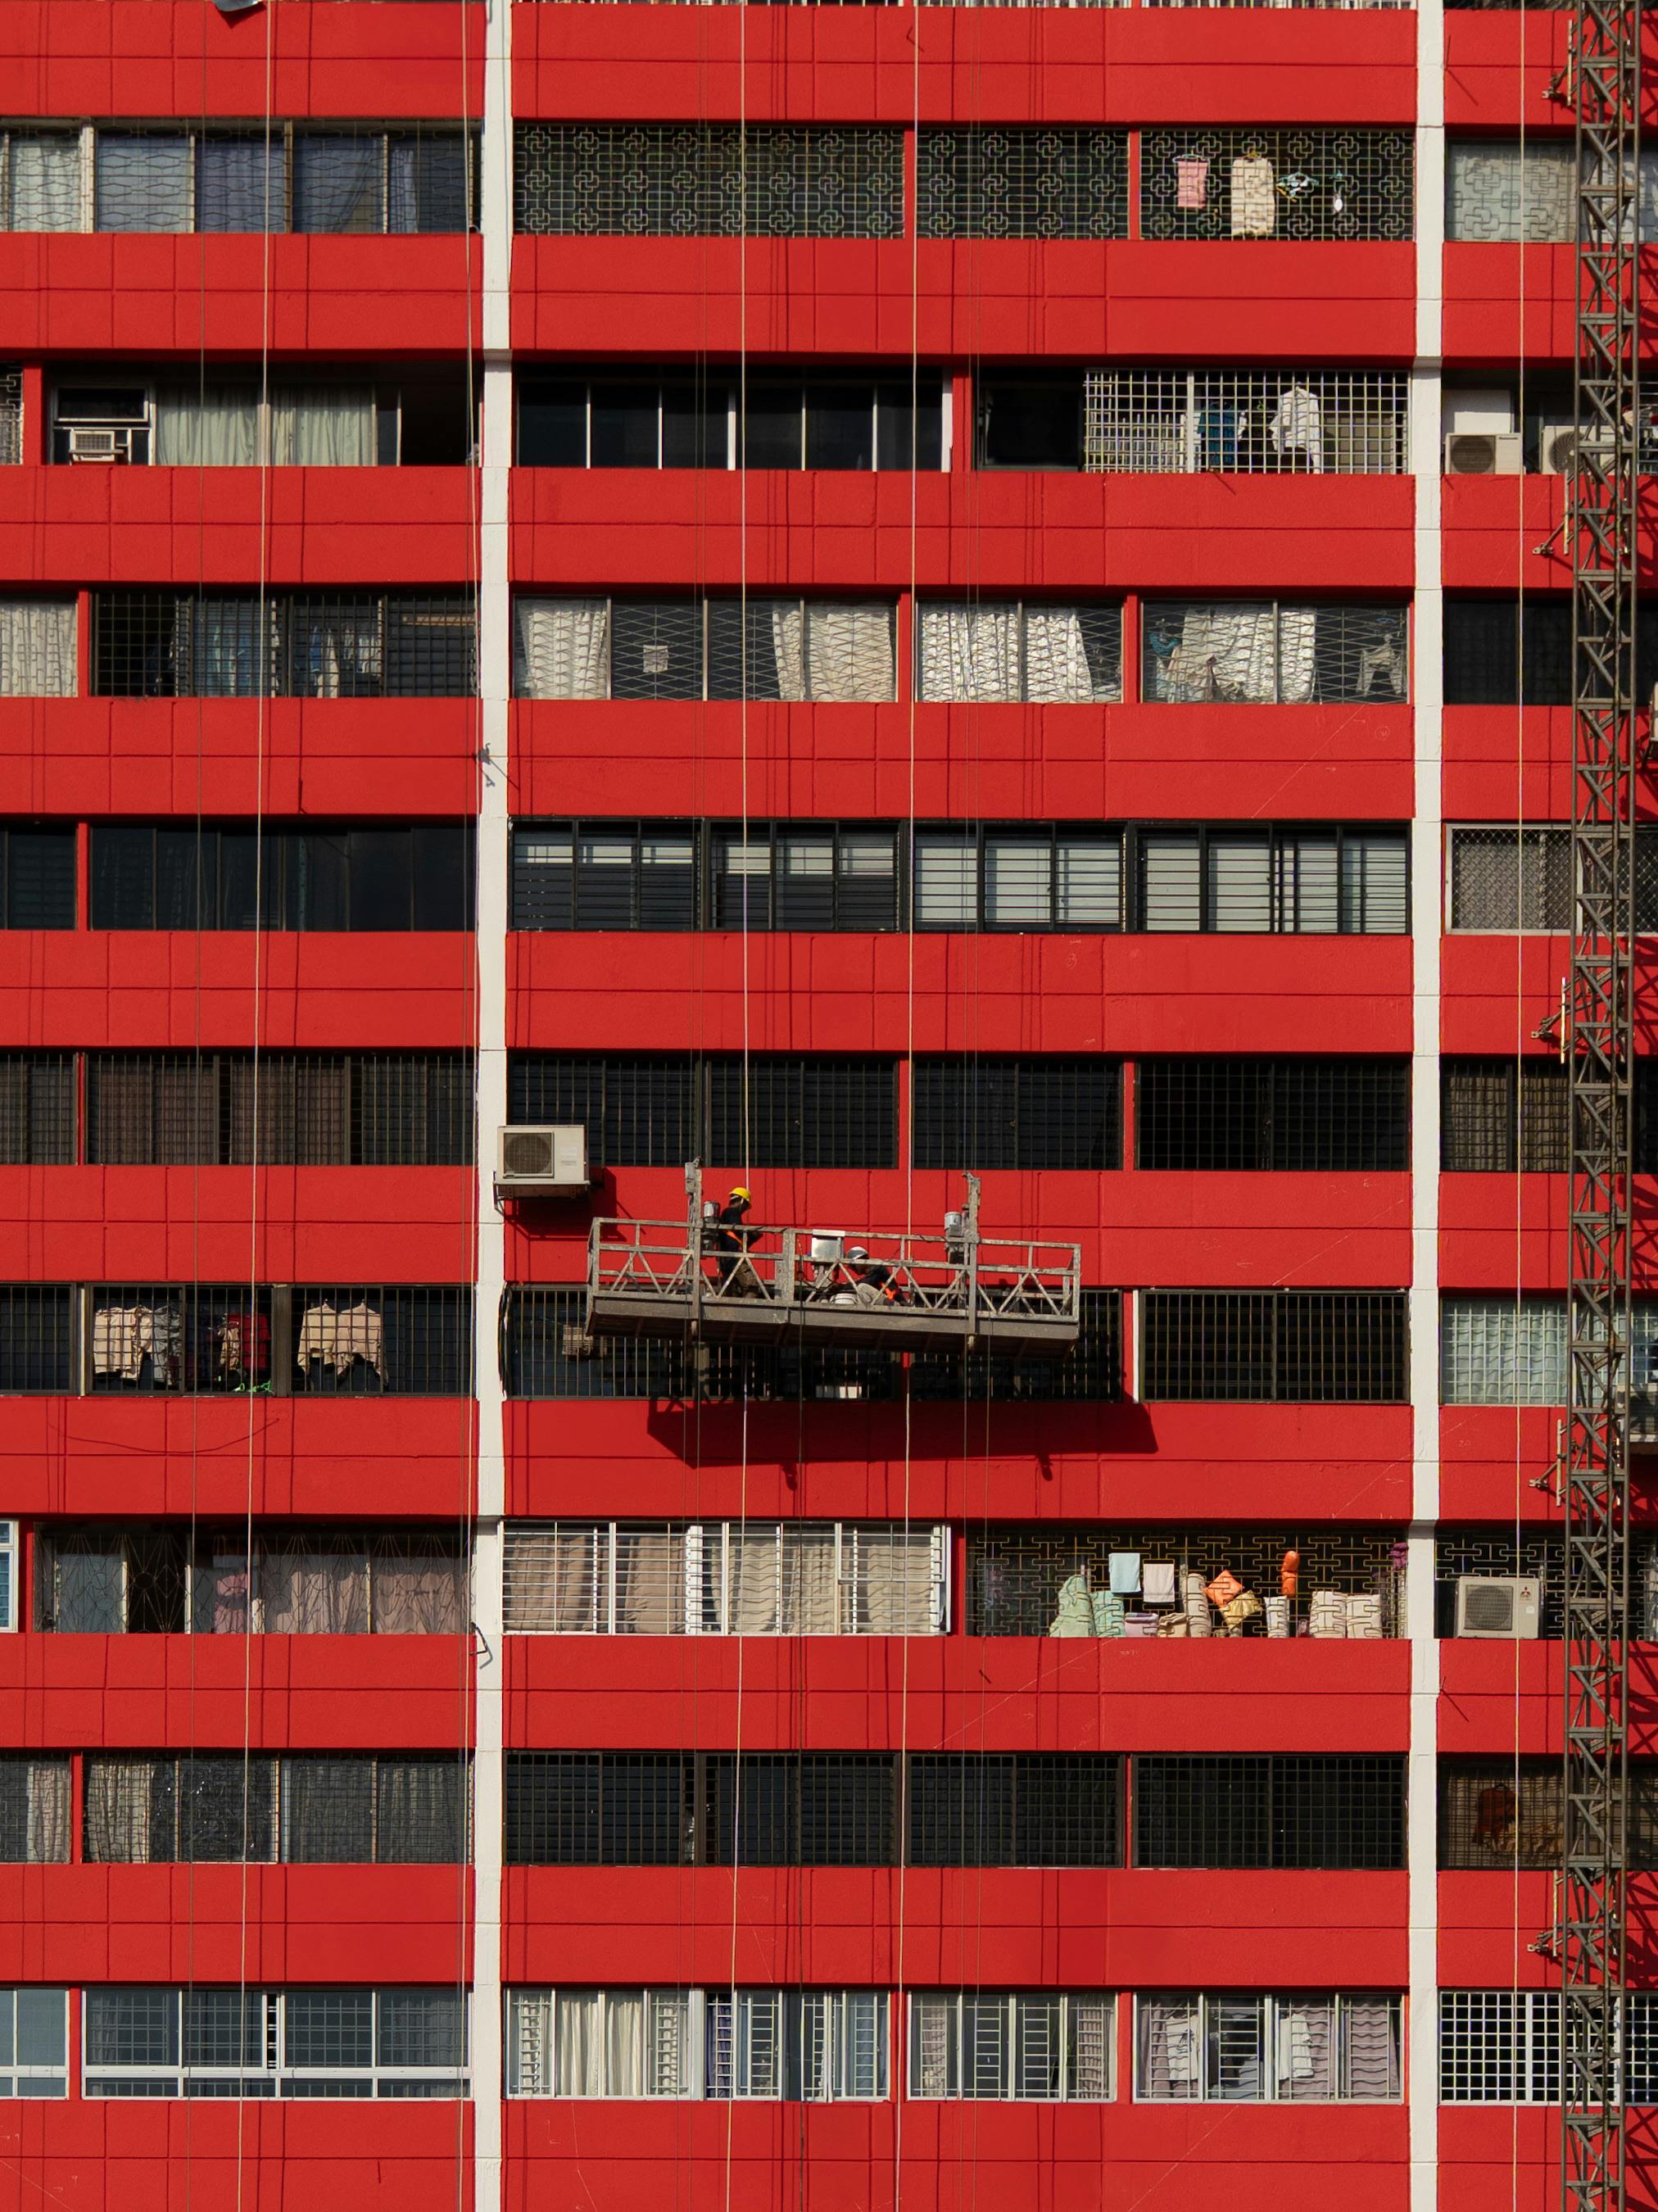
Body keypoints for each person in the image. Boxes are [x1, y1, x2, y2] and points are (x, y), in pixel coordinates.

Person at [710, 1186, 759, 1295]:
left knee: (732, 1291)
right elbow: (738, 1230)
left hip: (726, 1259)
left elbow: (735, 1236)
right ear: (742, 1202)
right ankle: (747, 1310)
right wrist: (752, 1233)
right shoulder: (732, 1212)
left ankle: (730, 1311)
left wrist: (752, 1238)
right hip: (734, 1258)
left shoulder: (727, 1214)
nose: (745, 1209)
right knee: (752, 1286)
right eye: (746, 1206)